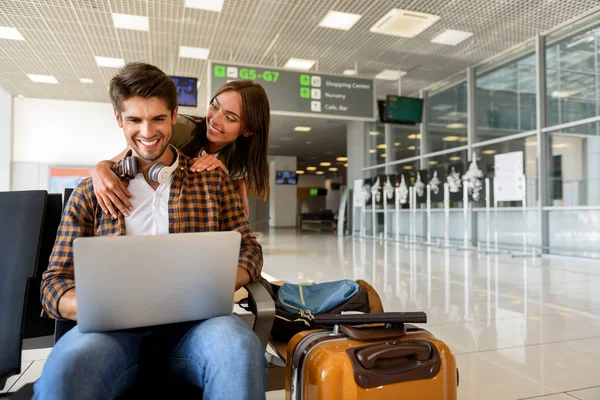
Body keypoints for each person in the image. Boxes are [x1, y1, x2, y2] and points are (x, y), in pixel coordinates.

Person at [34, 62, 267, 400]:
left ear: (175, 115)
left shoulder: (213, 180)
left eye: (158, 118)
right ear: (119, 119)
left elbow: (249, 249)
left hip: (197, 327)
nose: (147, 131)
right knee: (68, 368)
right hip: (113, 332)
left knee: (238, 350)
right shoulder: (92, 191)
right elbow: (53, 284)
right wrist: (95, 307)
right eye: (134, 120)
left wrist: (215, 283)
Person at [91, 79, 270, 219]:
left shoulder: (239, 157)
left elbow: (240, 216)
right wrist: (99, 169)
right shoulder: (180, 129)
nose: (215, 119)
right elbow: (123, 158)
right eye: (215, 106)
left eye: (230, 118)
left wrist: (223, 177)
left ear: (247, 130)